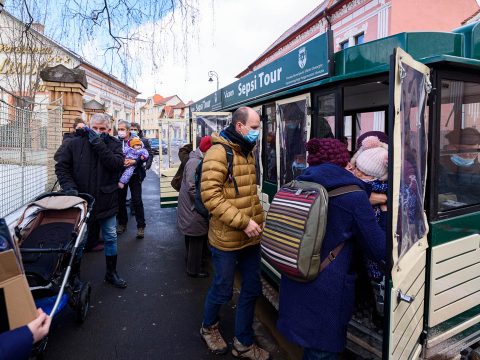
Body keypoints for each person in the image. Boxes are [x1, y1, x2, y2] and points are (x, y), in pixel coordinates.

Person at [277, 138, 386, 360]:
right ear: (343, 162)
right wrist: (384, 210)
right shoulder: (354, 196)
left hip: (297, 278)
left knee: (311, 347)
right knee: (322, 352)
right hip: (327, 291)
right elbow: (380, 249)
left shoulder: (299, 184)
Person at [199, 107, 269, 360]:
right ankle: (209, 328)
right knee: (223, 289)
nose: (257, 132)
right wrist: (243, 222)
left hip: (250, 237)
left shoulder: (246, 151)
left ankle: (243, 342)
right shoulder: (219, 152)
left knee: (252, 289)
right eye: (254, 127)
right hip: (227, 238)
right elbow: (211, 196)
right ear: (240, 127)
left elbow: (247, 193)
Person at [55, 113, 127, 288]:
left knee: (110, 236)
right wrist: (69, 187)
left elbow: (117, 165)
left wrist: (98, 144)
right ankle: (75, 277)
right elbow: (61, 166)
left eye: (102, 129)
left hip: (106, 199)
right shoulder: (74, 142)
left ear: (109, 130)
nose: (98, 132)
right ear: (88, 126)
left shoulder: (114, 144)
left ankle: (111, 272)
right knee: (80, 240)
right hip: (82, 199)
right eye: (94, 128)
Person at [177, 135, 212, 278]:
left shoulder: (196, 158)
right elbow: (193, 188)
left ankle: (191, 262)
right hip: (193, 208)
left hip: (190, 207)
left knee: (192, 237)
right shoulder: (195, 162)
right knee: (196, 237)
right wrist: (204, 206)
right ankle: (194, 269)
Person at [116, 120, 149, 239]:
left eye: (122, 129)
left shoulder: (138, 141)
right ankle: (122, 223)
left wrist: (135, 161)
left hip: (135, 175)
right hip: (121, 175)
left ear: (128, 130)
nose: (120, 131)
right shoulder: (116, 141)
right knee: (120, 200)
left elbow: (144, 155)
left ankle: (141, 226)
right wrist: (121, 162)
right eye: (119, 129)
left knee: (137, 200)